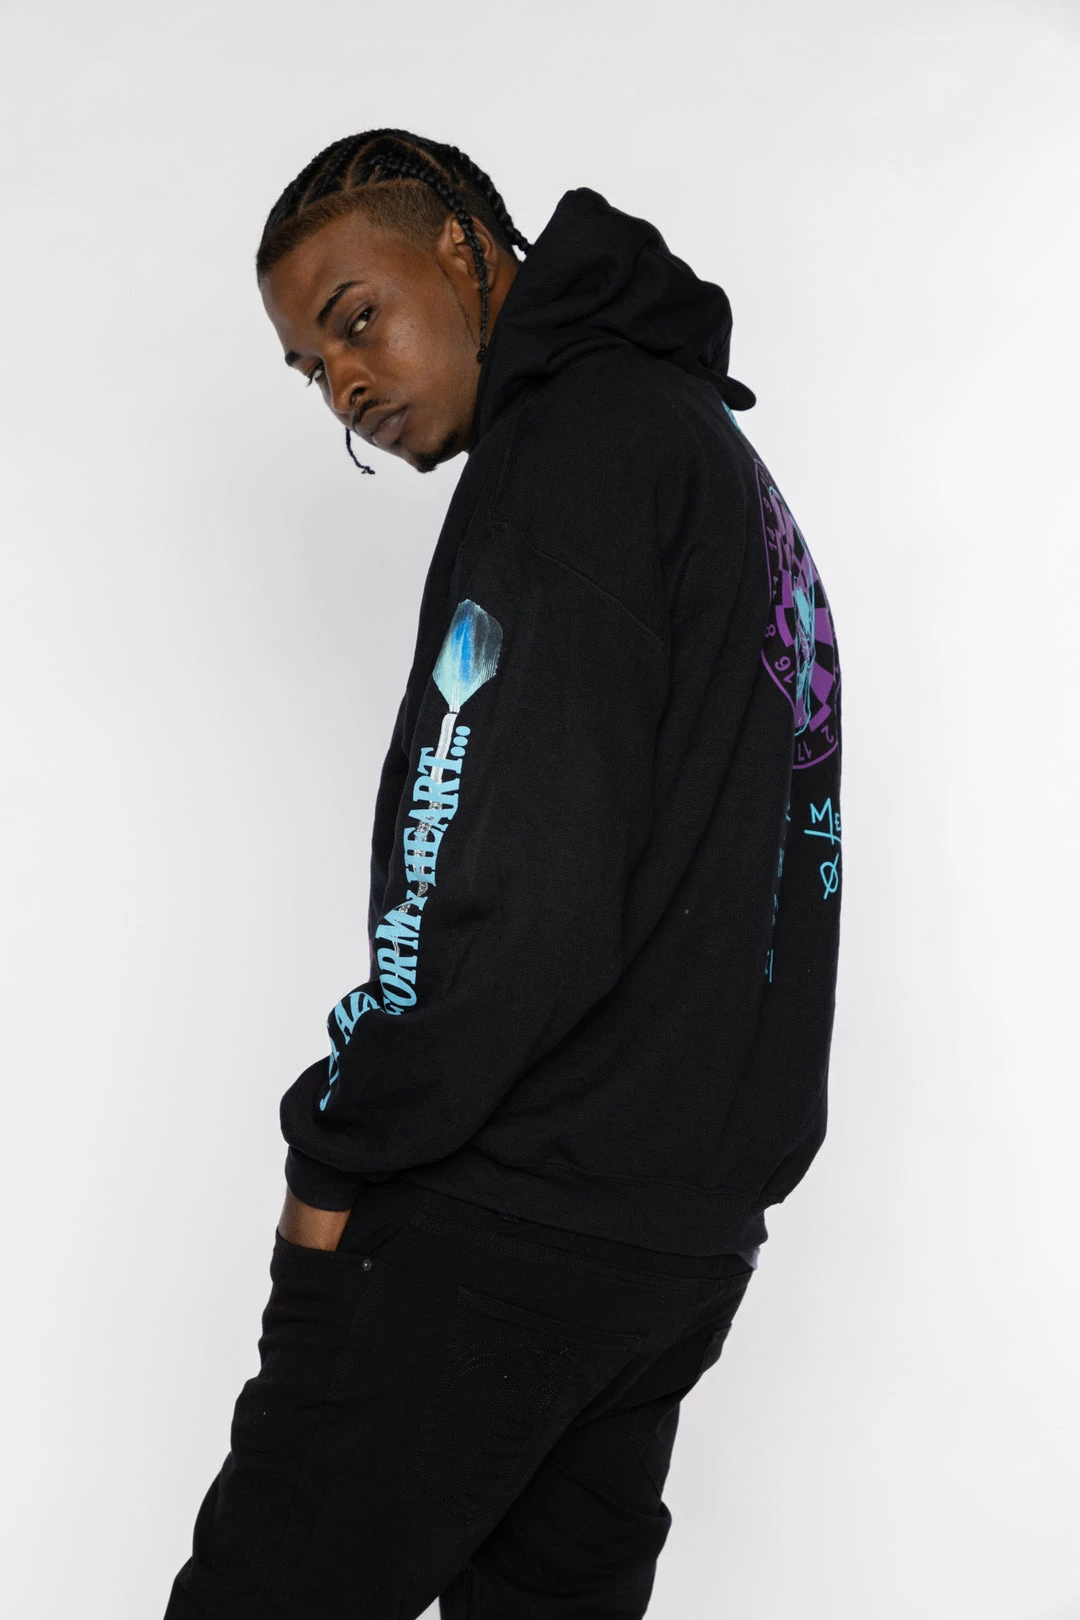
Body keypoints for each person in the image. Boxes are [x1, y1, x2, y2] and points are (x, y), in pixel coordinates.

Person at [163, 128, 843, 1619]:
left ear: (466, 249)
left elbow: (511, 882)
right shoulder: (700, 452)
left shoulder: (572, 458)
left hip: (506, 1216)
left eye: (356, 318)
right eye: (310, 368)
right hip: (672, 1239)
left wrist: (336, 1151)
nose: (345, 384)